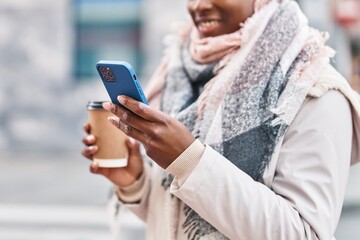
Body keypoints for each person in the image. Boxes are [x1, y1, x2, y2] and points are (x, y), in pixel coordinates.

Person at [82, 0, 360, 239]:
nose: (197, 6)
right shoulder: (182, 74)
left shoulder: (315, 90)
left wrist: (190, 161)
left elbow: (305, 233)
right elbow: (179, 217)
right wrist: (136, 182)